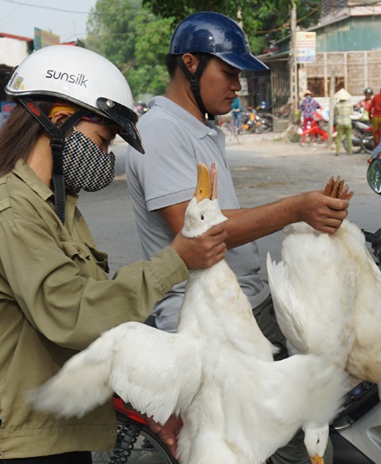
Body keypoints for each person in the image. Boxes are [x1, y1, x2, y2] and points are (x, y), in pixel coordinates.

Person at [0, 44, 227, 464]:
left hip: (54, 430)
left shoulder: (57, 209)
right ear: (60, 122)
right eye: (102, 139)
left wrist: (145, 405)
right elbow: (72, 314)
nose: (106, 155)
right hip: (16, 442)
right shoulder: (12, 211)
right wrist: (176, 259)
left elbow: (96, 327)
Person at [125, 12, 350, 464]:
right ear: (189, 63)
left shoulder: (200, 128)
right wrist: (295, 209)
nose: (237, 86)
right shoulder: (162, 131)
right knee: (297, 441)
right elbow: (199, 232)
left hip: (242, 304)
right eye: (228, 73)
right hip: (209, 321)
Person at [334, 89, 353, 156]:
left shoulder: (337, 105)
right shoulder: (349, 105)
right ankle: (350, 151)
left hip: (340, 123)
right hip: (348, 122)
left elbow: (335, 114)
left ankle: (337, 152)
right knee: (348, 137)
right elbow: (351, 113)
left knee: (339, 138)